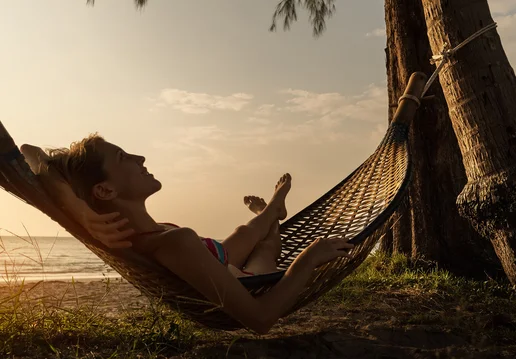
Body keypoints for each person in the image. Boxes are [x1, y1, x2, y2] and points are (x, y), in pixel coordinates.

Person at [20, 134, 354, 334]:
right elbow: (261, 319)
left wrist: (77, 209)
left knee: (243, 232)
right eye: (123, 157)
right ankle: (274, 214)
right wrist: (308, 258)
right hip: (243, 281)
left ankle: (270, 214)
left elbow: (30, 152)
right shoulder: (170, 243)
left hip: (209, 255)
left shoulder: (153, 234)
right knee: (267, 243)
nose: (141, 157)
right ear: (105, 190)